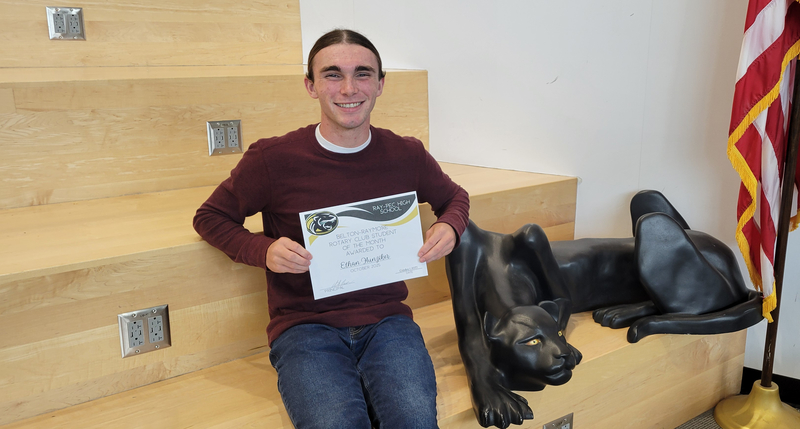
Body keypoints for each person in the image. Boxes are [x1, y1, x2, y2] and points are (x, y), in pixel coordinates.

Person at [193, 29, 469, 428]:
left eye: (362, 74)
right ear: (311, 86)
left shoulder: (406, 154)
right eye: (333, 75)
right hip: (305, 328)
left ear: (380, 84)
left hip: (388, 322)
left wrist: (450, 225)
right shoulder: (273, 159)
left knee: (414, 421)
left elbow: (455, 197)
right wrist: (263, 250)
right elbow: (210, 217)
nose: (349, 88)